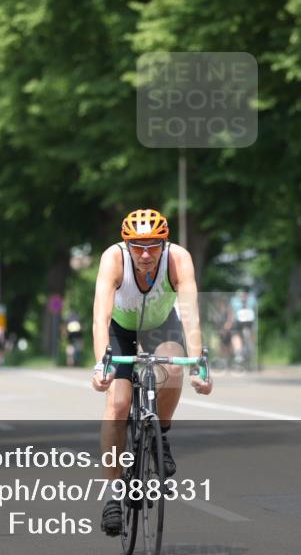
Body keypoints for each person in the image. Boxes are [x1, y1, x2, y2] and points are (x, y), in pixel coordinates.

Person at [90, 209, 213, 537]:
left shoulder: (179, 259)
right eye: (138, 246)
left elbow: (191, 318)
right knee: (117, 406)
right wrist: (101, 364)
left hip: (161, 326)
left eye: (153, 246)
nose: (145, 254)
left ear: (165, 243)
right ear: (126, 244)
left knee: (174, 366)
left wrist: (199, 365)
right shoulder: (113, 259)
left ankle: (160, 434)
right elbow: (100, 317)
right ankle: (114, 494)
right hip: (120, 329)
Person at [225, 289, 257, 364]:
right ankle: (251, 346)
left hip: (239, 319)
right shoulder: (252, 298)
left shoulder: (234, 300)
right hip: (250, 319)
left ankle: (238, 352)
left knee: (235, 334)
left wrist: (229, 323)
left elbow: (231, 313)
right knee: (250, 331)